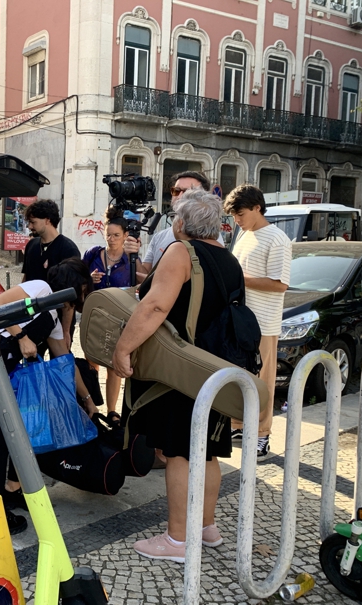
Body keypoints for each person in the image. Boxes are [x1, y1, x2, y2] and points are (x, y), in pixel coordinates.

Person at [112, 189, 244, 563]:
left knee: (179, 452)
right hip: (217, 367)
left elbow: (155, 306)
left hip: (183, 369)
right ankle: (206, 527)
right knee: (208, 451)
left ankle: (177, 540)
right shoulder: (229, 259)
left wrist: (123, 348)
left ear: (181, 223)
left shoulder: (181, 252)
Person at [0, 257, 95, 535]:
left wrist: (87, 400)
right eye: (84, 288)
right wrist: (21, 336)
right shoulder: (40, 289)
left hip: (3, 373)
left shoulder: (54, 314)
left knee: (13, 435)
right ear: (77, 286)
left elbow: (65, 360)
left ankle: (9, 492)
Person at [224, 184, 292, 459]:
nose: (236, 220)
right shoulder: (243, 234)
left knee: (263, 381)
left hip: (264, 323)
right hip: (240, 320)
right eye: (233, 215)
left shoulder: (277, 238)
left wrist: (239, 278)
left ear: (257, 208)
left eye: (240, 214)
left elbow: (280, 284)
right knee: (239, 376)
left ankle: (262, 434)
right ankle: (238, 425)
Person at [82, 207, 142, 423]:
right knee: (91, 363)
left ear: (126, 236)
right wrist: (89, 279)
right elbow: (78, 278)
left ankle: (112, 411)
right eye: (108, 234)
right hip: (94, 315)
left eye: (116, 235)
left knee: (113, 364)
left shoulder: (131, 259)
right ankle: (91, 408)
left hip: (119, 318)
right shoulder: (93, 254)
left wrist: (135, 258)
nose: (111, 239)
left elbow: (144, 281)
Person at [131, 171, 212, 280]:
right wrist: (133, 255)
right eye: (176, 190)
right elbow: (143, 277)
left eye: (188, 192)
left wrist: (160, 282)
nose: (180, 196)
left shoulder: (211, 239)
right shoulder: (159, 237)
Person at [22, 199, 81, 344]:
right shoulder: (31, 245)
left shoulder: (68, 249)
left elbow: (70, 295)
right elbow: (26, 280)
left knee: (60, 357)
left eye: (33, 222)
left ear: (47, 220)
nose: (30, 226)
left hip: (59, 318)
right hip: (33, 317)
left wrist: (66, 331)